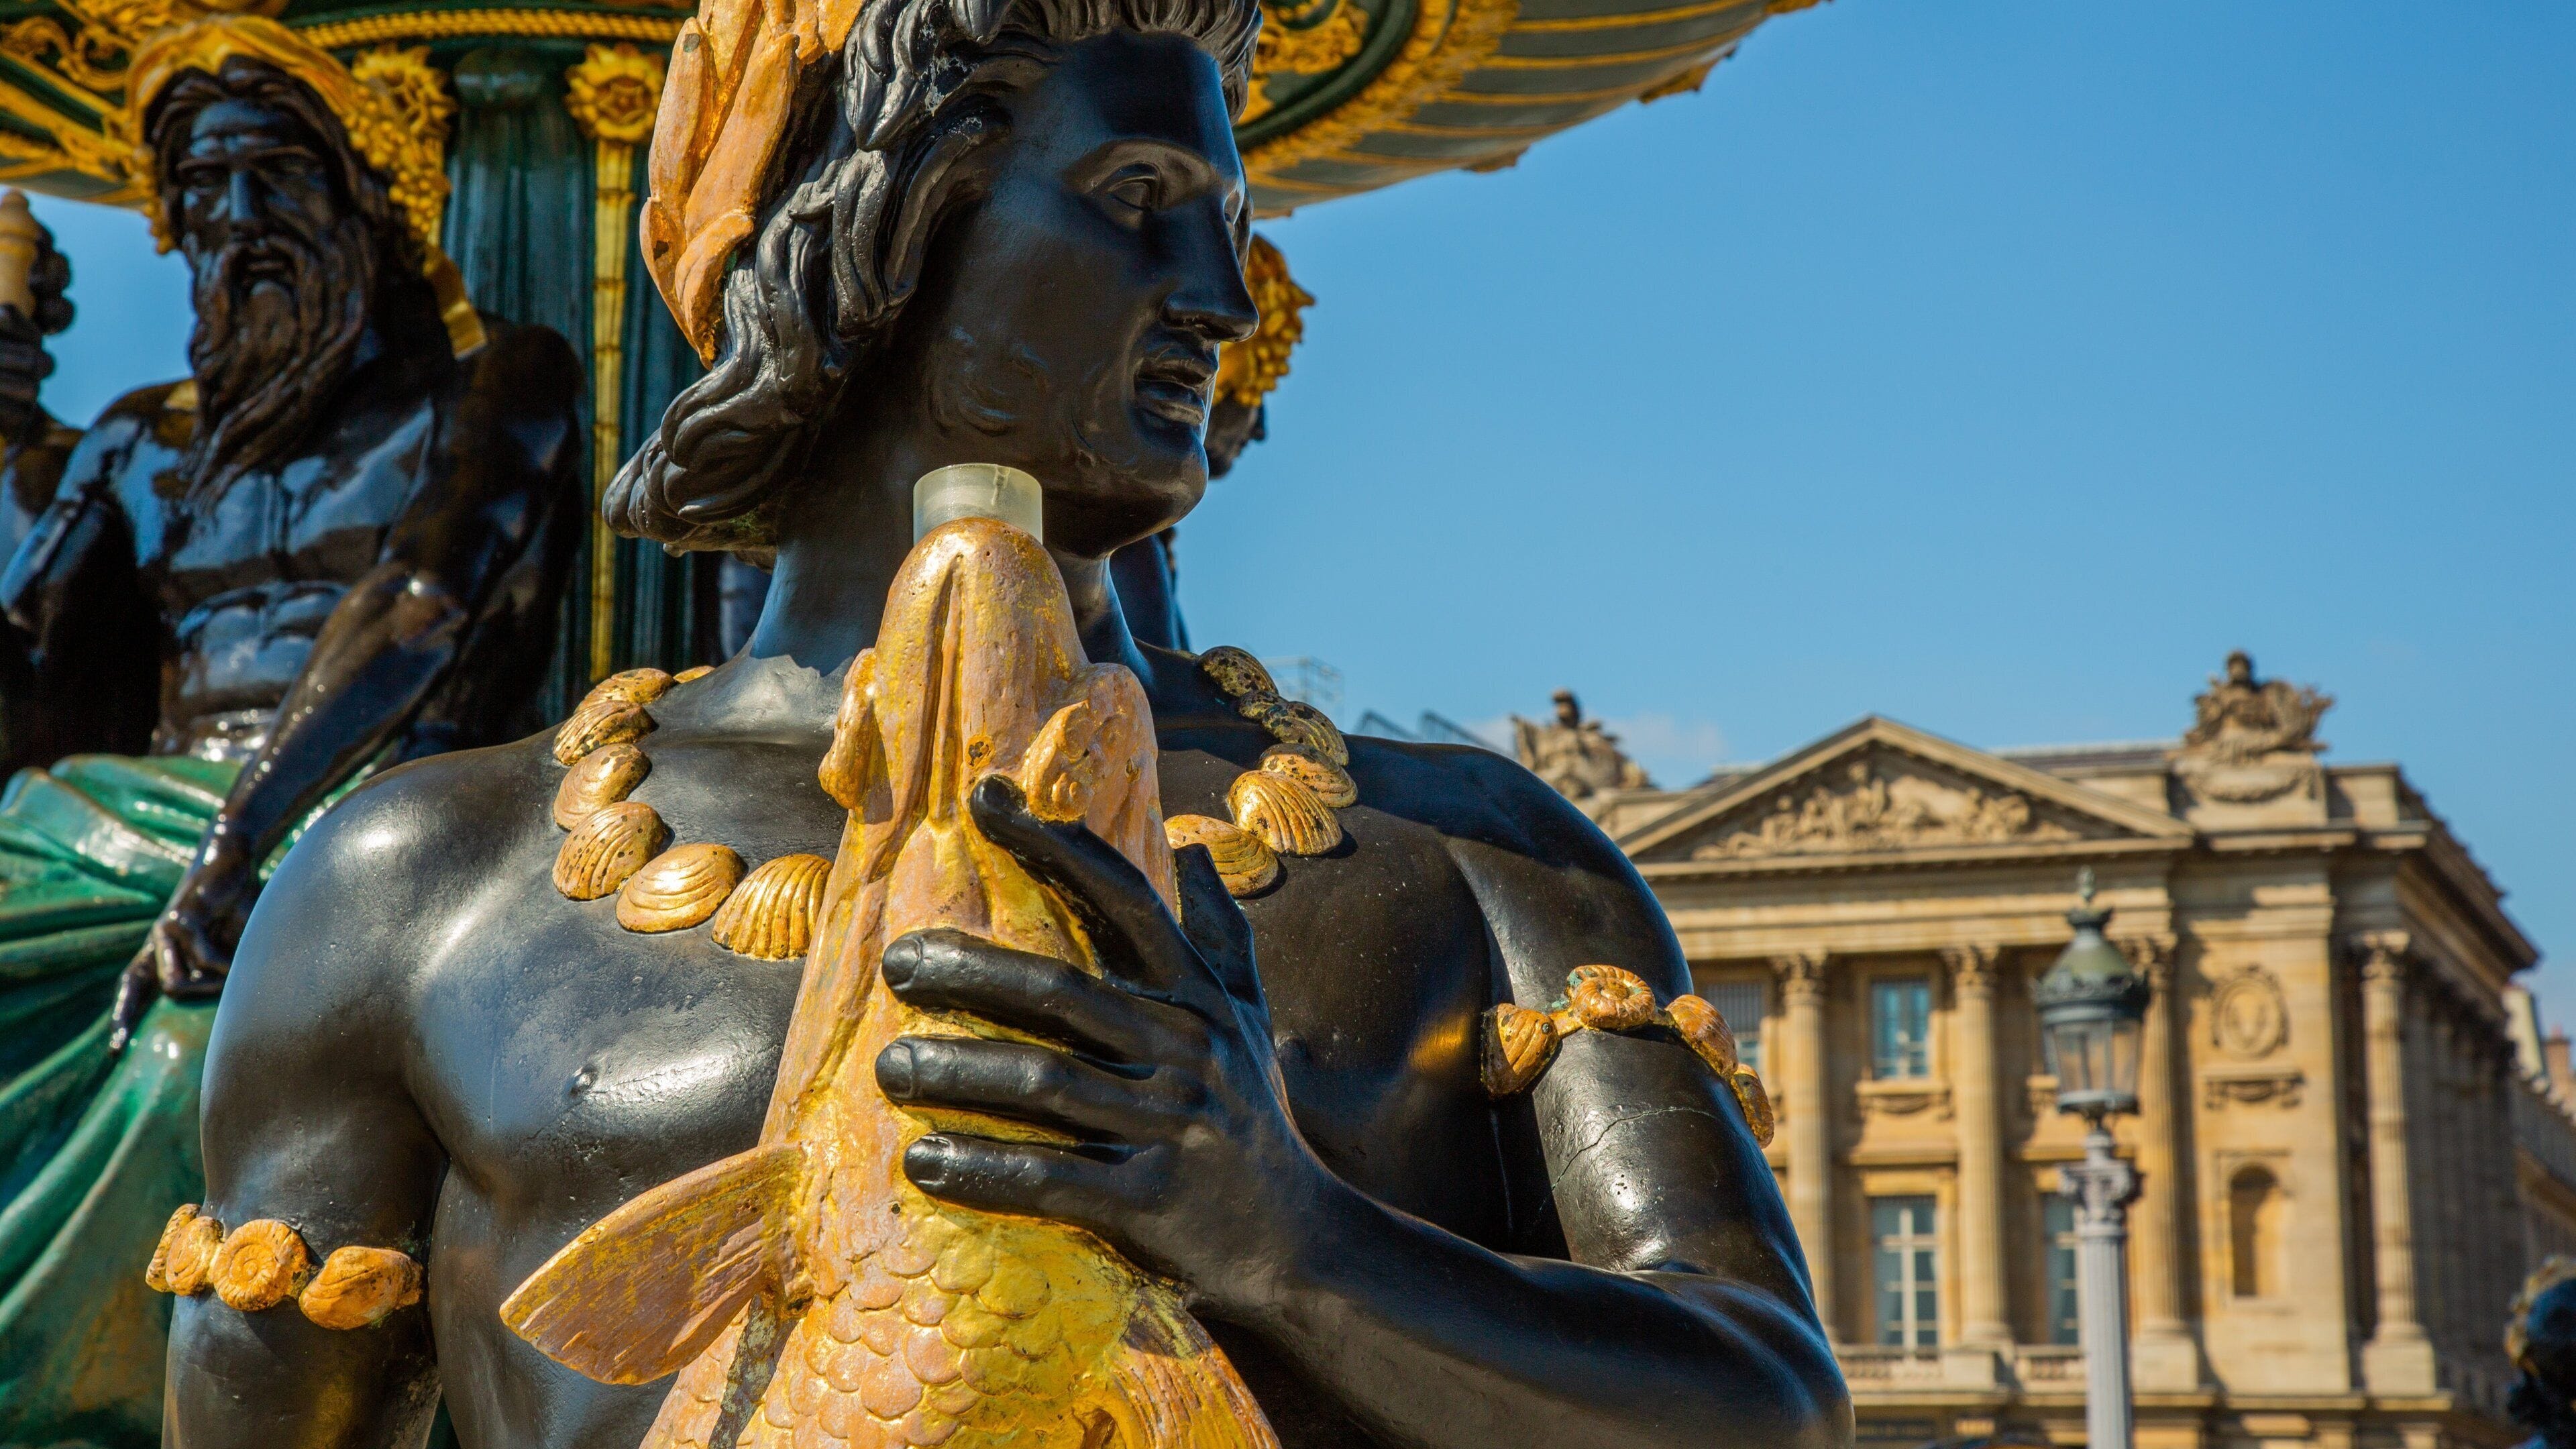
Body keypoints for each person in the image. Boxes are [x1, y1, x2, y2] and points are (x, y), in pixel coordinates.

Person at [167, 0, 1847, 1444]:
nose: (1221, 289)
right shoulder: (419, 879)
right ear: (873, 232)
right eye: (1141, 199)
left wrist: (1289, 1238)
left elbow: (1766, 1402)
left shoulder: (1471, 855)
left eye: (1229, 215)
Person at [0, 17, 582, 1446]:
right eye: (199, 198)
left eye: (272, 178)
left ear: (360, 193)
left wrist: (239, 844)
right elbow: (17, 638)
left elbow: (425, 602)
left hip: (376, 816)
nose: (236, 226)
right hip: (116, 818)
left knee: (190, 1063)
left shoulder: (497, 381)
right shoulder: (141, 442)